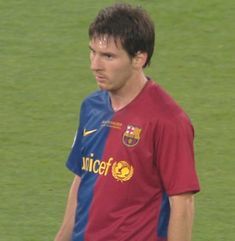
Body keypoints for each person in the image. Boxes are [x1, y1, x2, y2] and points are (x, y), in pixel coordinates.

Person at [54, 3, 200, 241]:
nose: (95, 65)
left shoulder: (168, 121)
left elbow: (182, 204)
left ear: (138, 58)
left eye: (108, 56)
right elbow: (82, 177)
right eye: (93, 52)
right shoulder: (91, 107)